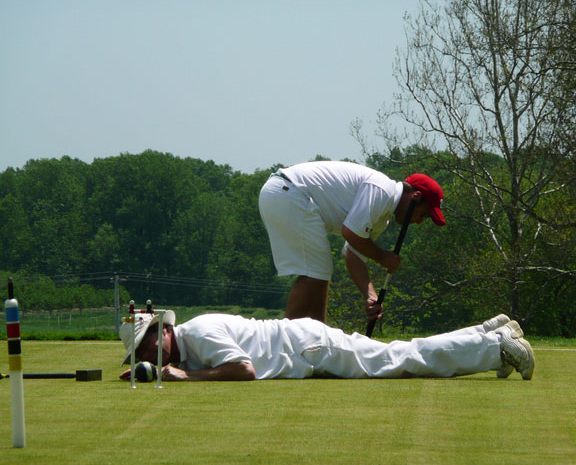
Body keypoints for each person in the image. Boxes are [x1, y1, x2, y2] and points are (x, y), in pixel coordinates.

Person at [258, 161, 446, 323]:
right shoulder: (382, 191)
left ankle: (316, 346)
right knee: (314, 273)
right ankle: (285, 347)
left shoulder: (382, 216)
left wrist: (370, 296)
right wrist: (382, 256)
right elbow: (351, 233)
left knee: (320, 273)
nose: (419, 222)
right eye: (423, 215)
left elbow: (353, 254)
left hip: (284, 193)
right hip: (289, 192)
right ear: (415, 197)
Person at [118, 311, 535, 382]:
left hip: (309, 347)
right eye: (139, 356)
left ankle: (497, 346)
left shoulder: (200, 333)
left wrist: (182, 376)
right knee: (397, 352)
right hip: (306, 343)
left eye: (145, 346)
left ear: (162, 329)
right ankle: (486, 333)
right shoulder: (187, 341)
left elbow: (243, 370)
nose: (146, 356)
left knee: (400, 360)